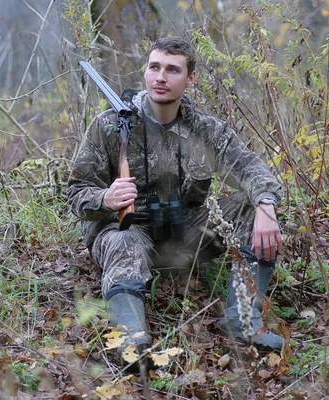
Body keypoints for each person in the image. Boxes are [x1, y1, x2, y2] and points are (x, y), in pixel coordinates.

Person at [68, 37, 284, 370]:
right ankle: (131, 341)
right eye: (154, 67)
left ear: (190, 78)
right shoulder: (110, 125)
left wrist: (266, 206)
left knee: (252, 205)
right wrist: (105, 198)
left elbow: (251, 170)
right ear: (145, 71)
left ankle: (242, 321)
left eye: (172, 70)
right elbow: (76, 191)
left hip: (186, 237)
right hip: (128, 234)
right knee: (122, 238)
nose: (161, 77)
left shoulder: (205, 130)